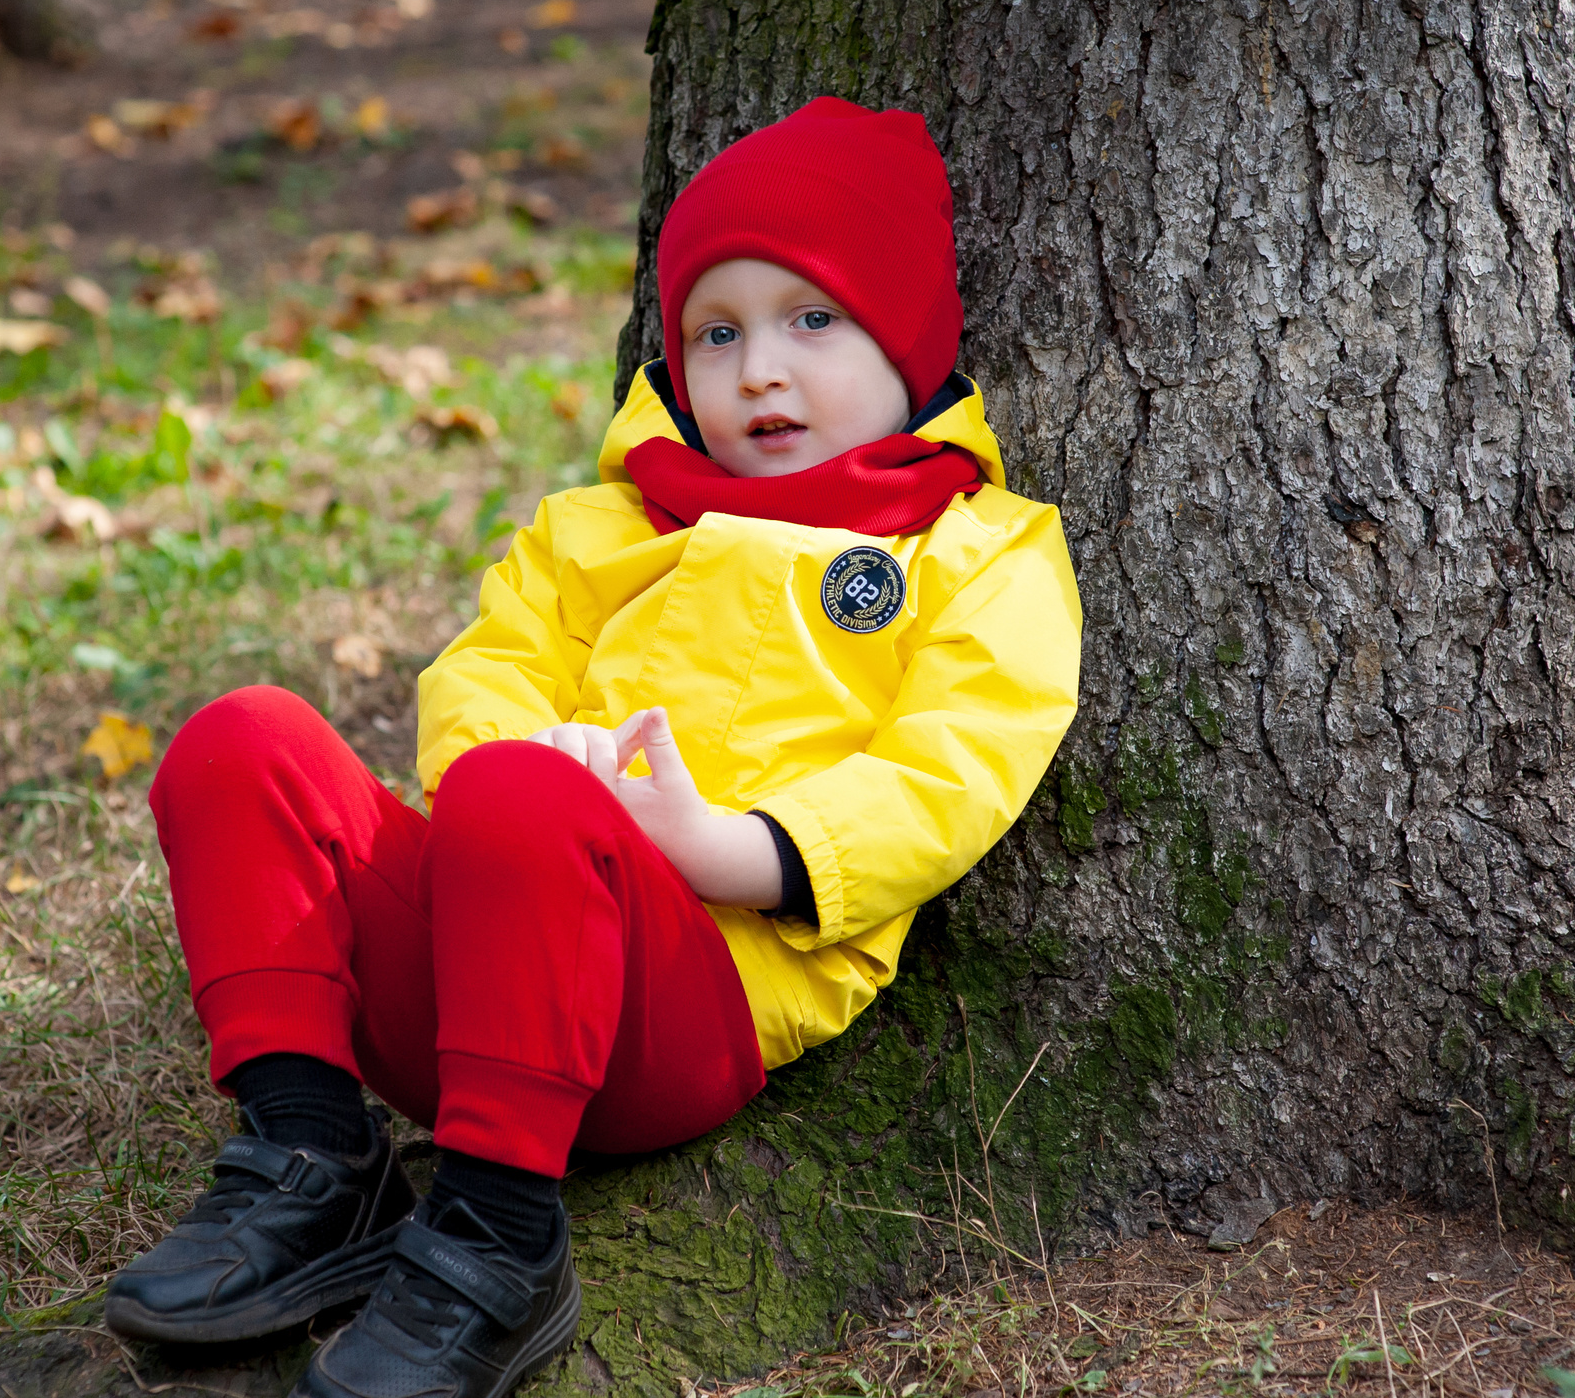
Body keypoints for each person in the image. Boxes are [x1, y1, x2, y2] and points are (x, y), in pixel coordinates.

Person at [104, 97, 1083, 1398]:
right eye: (716, 333)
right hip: (489, 947)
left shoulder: (973, 553)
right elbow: (491, 664)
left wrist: (726, 850)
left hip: (692, 1003)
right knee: (245, 743)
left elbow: (953, 769)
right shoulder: (609, 523)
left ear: (908, 342)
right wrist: (517, 768)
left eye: (814, 321)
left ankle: (500, 1239)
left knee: (523, 796)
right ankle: (310, 1157)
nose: (761, 372)